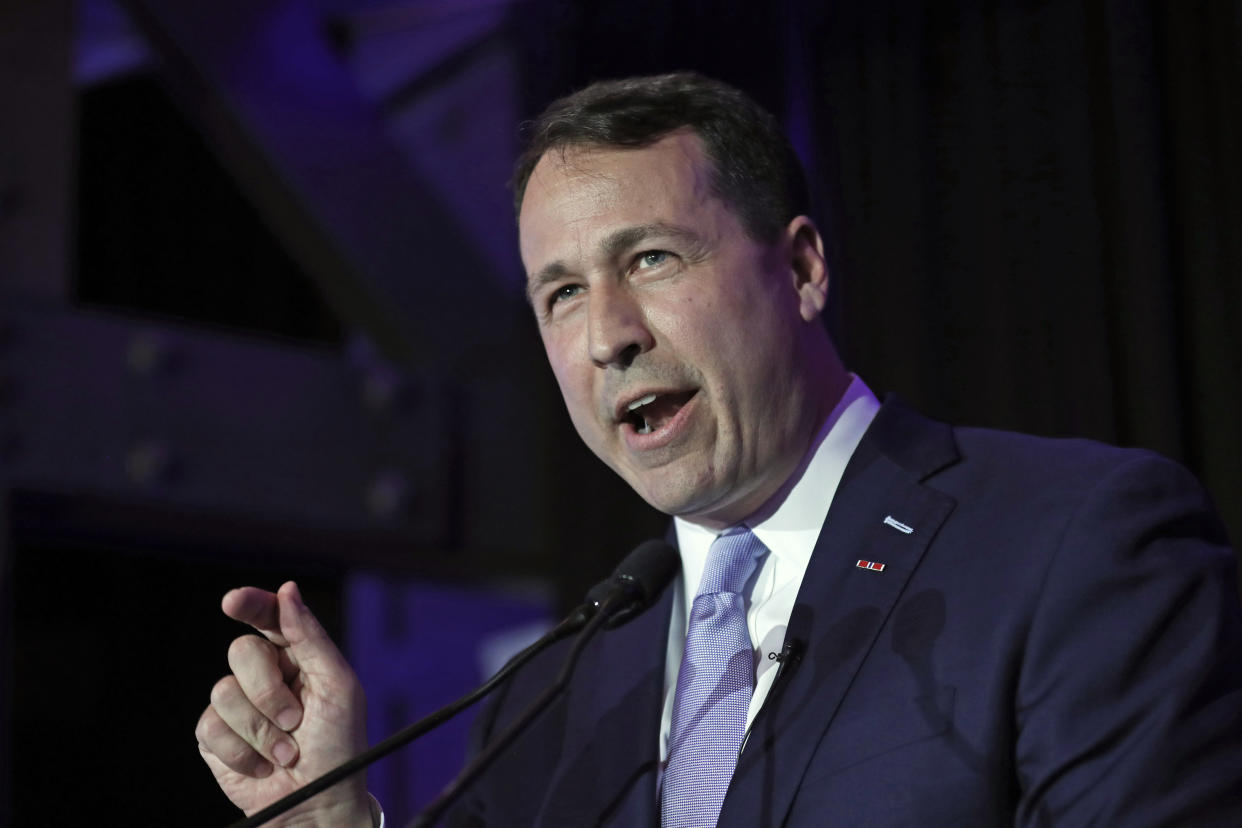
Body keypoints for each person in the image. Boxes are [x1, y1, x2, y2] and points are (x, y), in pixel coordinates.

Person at [196, 72, 1242, 827]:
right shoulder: (548, 697)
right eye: (561, 293)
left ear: (800, 268)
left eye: (649, 258)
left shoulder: (1074, 543)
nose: (608, 333)